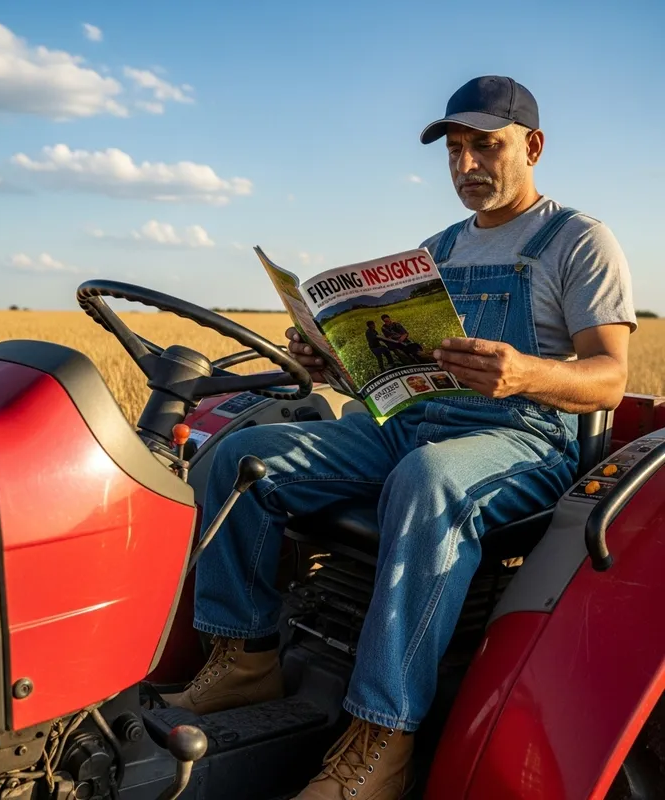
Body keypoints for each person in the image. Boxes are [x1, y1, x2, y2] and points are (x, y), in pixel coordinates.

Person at [165, 75, 636, 799]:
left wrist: (522, 372)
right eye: (455, 150)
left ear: (533, 146)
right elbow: (396, 379)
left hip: (523, 437)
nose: (468, 166)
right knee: (240, 456)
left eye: (487, 146)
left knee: (429, 480)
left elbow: (607, 376)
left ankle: (383, 737)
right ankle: (246, 655)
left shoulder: (577, 241)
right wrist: (336, 363)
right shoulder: (436, 249)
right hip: (416, 425)